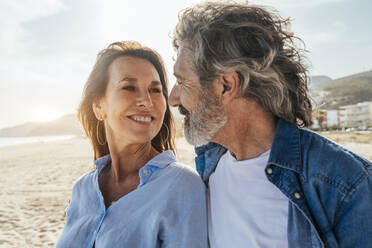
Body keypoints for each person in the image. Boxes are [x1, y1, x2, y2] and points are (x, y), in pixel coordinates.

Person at [169, 2, 372, 248]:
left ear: (226, 86)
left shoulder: (346, 182)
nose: (173, 98)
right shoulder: (209, 162)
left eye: (182, 82)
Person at [56, 41, 207, 248]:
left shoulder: (182, 186)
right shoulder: (82, 189)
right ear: (99, 106)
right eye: (129, 87)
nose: (146, 101)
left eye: (155, 90)